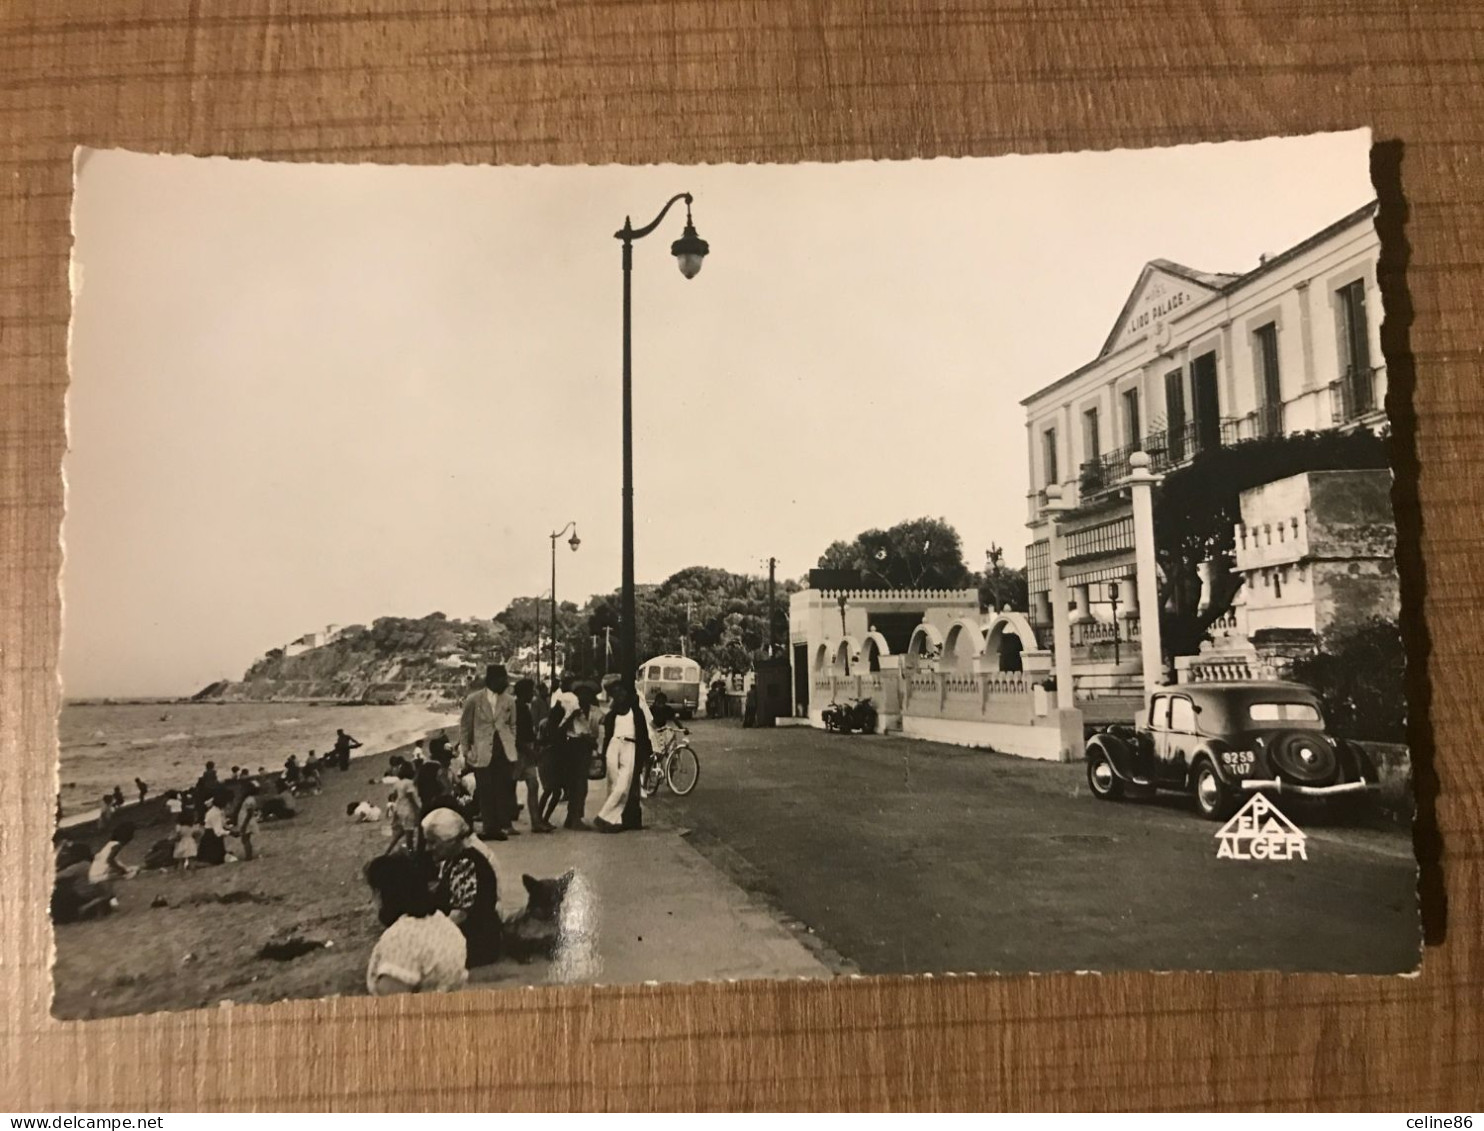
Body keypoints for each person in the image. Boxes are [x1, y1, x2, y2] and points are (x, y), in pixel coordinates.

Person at [363, 852, 468, 996]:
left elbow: (394, 1003)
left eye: (373, 893)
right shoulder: (447, 926)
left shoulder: (400, 938)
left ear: (382, 894)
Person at [422, 808, 502, 967]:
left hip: (475, 945)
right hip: (475, 939)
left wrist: (427, 937)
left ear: (450, 840)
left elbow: (459, 915)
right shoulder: (456, 859)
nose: (428, 848)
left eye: (433, 842)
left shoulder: (466, 863)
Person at [458, 664, 518, 841]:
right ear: (491, 680)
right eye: (502, 679)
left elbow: (513, 725)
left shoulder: (509, 700)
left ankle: (499, 827)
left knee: (502, 788)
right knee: (485, 790)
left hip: (504, 750)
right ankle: (488, 827)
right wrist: (466, 750)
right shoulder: (473, 700)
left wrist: (511, 743)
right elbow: (465, 727)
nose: (506, 683)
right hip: (482, 751)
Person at [594, 684, 645, 833]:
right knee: (613, 785)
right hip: (614, 745)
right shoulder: (611, 715)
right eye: (618, 696)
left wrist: (643, 757)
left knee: (623, 787)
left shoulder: (636, 713)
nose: (621, 698)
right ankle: (613, 821)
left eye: (623, 695)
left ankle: (602, 816)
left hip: (630, 746)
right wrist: (603, 757)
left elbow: (643, 736)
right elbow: (607, 737)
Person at [513, 678, 554, 834]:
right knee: (514, 785)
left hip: (525, 750)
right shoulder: (519, 709)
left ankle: (536, 822)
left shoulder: (522, 707)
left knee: (532, 785)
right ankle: (531, 821)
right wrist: (533, 753)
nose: (533, 693)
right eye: (531, 691)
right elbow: (517, 736)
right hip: (521, 751)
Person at [88, 821, 137, 887]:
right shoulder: (117, 846)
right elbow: (110, 860)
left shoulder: (111, 844)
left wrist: (124, 868)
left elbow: (114, 860)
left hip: (94, 875)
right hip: (98, 877)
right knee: (131, 872)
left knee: (131, 869)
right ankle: (124, 875)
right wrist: (123, 871)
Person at [386, 764, 421, 854]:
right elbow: (410, 797)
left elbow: (393, 795)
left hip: (399, 808)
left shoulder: (398, 783)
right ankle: (411, 852)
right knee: (409, 834)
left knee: (401, 832)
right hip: (408, 809)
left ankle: (388, 851)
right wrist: (418, 808)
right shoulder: (409, 783)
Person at [198, 792, 229, 865]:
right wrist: (230, 833)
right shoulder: (215, 812)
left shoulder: (215, 811)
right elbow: (218, 831)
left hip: (211, 837)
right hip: (212, 838)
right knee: (213, 861)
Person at [234, 782, 261, 861]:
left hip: (246, 821)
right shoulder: (249, 799)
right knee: (246, 839)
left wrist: (244, 825)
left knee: (245, 839)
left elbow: (249, 813)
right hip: (246, 820)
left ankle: (248, 856)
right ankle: (249, 855)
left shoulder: (249, 800)